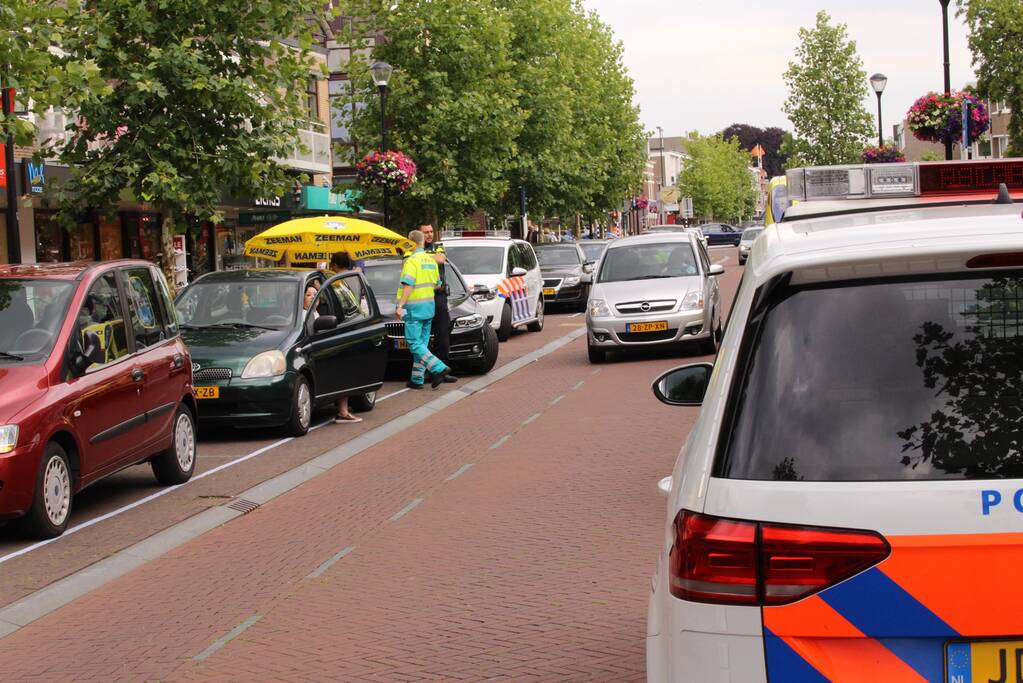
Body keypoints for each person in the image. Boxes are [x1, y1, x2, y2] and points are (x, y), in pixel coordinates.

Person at [396, 230, 455, 389]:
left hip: (414, 307)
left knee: (414, 343)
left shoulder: (412, 260)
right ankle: (417, 379)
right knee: (422, 343)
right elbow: (437, 284)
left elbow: (408, 284)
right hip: (429, 307)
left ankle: (439, 368)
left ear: (411, 242)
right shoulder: (430, 261)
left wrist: (400, 305)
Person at [322, 257, 363, 424]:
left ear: (336, 265)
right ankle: (343, 407)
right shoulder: (355, 277)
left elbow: (336, 303)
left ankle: (343, 408)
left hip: (342, 324)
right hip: (352, 322)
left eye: (332, 265)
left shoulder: (337, 282)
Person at [420, 223, 455, 380]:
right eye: (425, 232)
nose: (429, 234)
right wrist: (428, 258)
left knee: (443, 334)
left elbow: (441, 259)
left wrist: (421, 258)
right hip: (421, 297)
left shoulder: (438, 246)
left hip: (438, 295)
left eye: (431, 231)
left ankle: (442, 369)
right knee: (423, 337)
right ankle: (429, 370)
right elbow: (408, 261)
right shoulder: (410, 250)